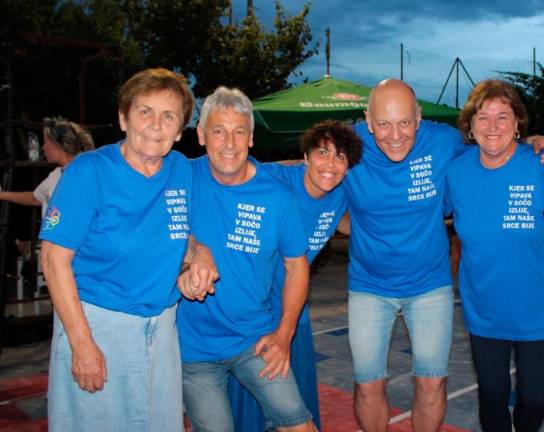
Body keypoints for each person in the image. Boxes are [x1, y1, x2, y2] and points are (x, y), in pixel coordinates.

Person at [343, 78, 544, 431]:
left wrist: (535, 140)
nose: (395, 134)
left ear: (418, 118)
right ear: (367, 121)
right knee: (367, 386)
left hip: (430, 284)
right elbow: (310, 175)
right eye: (383, 123)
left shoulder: (444, 141)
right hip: (369, 285)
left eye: (404, 122)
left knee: (432, 383)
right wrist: (355, 228)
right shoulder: (347, 143)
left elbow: (494, 140)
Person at [39, 67, 202, 431]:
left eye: (169, 116)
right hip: (98, 324)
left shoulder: (181, 170)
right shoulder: (89, 171)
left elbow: (187, 235)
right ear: (124, 118)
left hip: (162, 328)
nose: (156, 124)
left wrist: (197, 258)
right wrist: (82, 343)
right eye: (145, 111)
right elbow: (52, 259)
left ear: (180, 130)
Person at [445, 79, 544, 432]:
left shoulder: (540, 163)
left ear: (517, 125)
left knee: (536, 398)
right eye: (483, 117)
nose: (492, 126)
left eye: (502, 117)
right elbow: (429, 213)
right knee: (492, 395)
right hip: (484, 309)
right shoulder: (456, 171)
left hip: (535, 308)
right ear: (470, 127)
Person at [176, 86, 317, 432]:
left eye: (239, 132)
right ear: (201, 135)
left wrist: (284, 334)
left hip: (254, 338)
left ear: (251, 138)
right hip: (193, 348)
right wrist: (192, 255)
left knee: (299, 426)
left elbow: (296, 266)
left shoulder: (277, 196)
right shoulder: (180, 179)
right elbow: (154, 232)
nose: (229, 143)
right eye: (218, 131)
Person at [228, 120, 363, 431]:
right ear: (306, 157)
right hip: (254, 313)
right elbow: (234, 170)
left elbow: (350, 222)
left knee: (297, 406)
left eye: (340, 156)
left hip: (293, 312)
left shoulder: (341, 194)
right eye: (322, 153)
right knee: (250, 410)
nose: (330, 164)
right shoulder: (277, 179)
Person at [0, 116, 94, 215]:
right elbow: (35, 198)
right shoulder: (56, 174)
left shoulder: (85, 175)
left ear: (57, 145)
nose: (43, 147)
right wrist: (2, 195)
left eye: (46, 142)